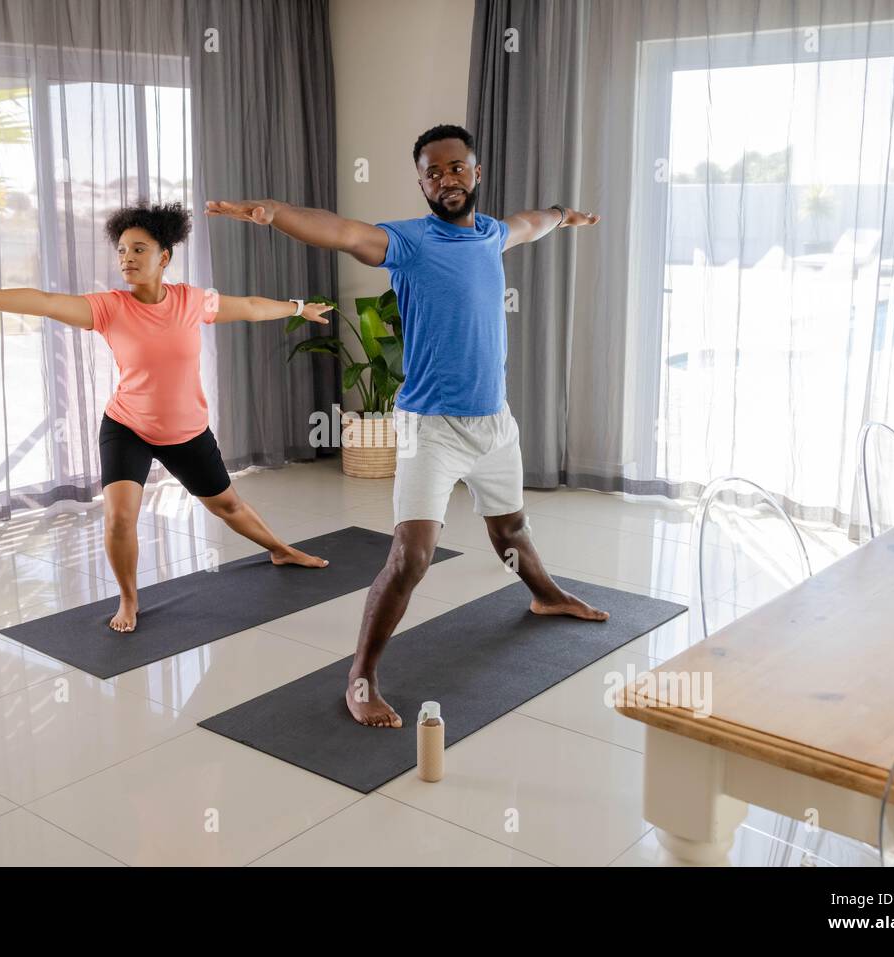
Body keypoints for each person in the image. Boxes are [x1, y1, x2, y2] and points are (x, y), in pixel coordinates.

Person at [207, 124, 610, 728]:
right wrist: (275, 215)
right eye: (433, 172)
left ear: (476, 172)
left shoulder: (492, 234)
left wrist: (563, 214)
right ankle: (361, 677)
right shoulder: (409, 242)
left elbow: (532, 222)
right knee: (411, 558)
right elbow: (342, 231)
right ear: (421, 182)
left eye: (456, 167)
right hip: (431, 429)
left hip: (495, 422)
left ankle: (546, 595)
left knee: (511, 530)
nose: (446, 179)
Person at [0, 201, 331, 634]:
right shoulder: (108, 307)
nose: (126, 259)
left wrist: (299, 308)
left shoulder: (192, 300)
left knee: (227, 505)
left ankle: (280, 549)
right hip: (127, 425)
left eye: (138, 249)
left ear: (164, 256)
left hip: (186, 430)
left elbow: (247, 306)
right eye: (120, 251)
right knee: (118, 517)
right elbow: (41, 301)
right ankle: (129, 599)